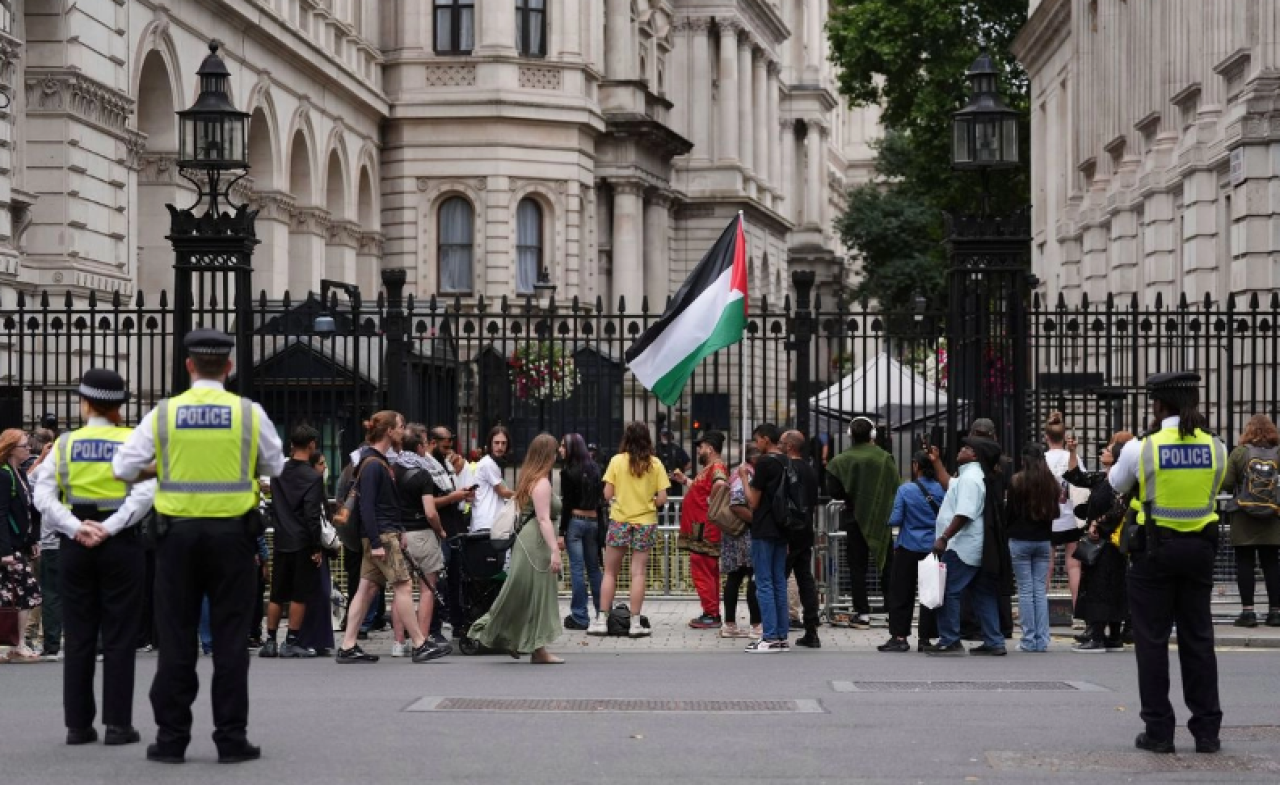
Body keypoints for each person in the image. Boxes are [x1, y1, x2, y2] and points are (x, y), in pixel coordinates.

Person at [112, 329, 286, 764]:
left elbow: (122, 467)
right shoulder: (248, 413)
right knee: (229, 639)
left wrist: (162, 468)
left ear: (189, 365)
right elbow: (275, 464)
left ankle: (171, 740)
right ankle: (231, 739)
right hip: (232, 537)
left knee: (175, 638)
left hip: (177, 537)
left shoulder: (164, 413)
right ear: (228, 367)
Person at [32, 369, 156, 745]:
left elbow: (42, 493)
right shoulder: (133, 440)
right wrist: (112, 526)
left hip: (76, 543)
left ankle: (78, 725)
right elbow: (146, 492)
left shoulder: (67, 444)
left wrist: (74, 528)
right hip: (120, 543)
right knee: (119, 635)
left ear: (84, 403)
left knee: (80, 633)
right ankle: (118, 725)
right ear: (120, 404)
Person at [1108, 371, 1228, 755]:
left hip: (1154, 553)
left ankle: (1159, 732)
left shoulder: (1143, 448)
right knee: (1199, 641)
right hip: (1201, 552)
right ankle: (1207, 732)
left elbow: (1117, 484)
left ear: (1159, 404)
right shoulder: (1216, 447)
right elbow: (1217, 487)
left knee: (1152, 642)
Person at [333, 411, 445, 665]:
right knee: (403, 586)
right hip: (382, 536)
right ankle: (419, 643)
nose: (404, 432)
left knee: (365, 590)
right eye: (400, 427)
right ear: (389, 431)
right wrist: (376, 542)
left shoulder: (374, 461)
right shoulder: (374, 464)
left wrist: (398, 531)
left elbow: (380, 505)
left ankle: (348, 645)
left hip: (381, 534)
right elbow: (368, 507)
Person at [468, 433, 565, 664]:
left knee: (522, 594)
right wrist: (555, 549)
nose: (557, 455)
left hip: (530, 542)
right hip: (536, 544)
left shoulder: (529, 478)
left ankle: (514, 640)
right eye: (554, 451)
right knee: (536, 595)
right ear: (547, 455)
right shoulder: (541, 482)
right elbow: (543, 519)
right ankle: (534, 648)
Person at [926, 437, 1007, 657]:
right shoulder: (970, 476)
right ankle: (994, 640)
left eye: (967, 448)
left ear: (975, 456)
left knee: (947, 590)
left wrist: (944, 537)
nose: (961, 449)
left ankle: (950, 640)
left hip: (963, 547)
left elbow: (964, 513)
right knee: (983, 593)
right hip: (976, 546)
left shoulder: (970, 478)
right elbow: (948, 484)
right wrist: (936, 462)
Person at [589, 422, 669, 637]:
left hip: (620, 520)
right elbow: (662, 498)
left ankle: (601, 619)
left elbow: (606, 494)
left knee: (610, 572)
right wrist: (648, 502)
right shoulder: (655, 464)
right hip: (645, 522)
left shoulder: (616, 461)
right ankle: (635, 622)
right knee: (638, 573)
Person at [387, 423, 456, 658]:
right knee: (427, 588)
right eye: (425, 444)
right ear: (418, 447)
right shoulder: (422, 473)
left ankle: (398, 642)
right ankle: (423, 639)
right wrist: (441, 531)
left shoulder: (393, 470)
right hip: (422, 534)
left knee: (401, 590)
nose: (427, 449)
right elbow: (430, 511)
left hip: (398, 534)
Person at [826, 417, 899, 629]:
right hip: (881, 517)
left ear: (850, 435)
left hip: (853, 518)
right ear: (873, 435)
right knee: (886, 563)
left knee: (857, 567)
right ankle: (892, 612)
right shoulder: (884, 458)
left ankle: (862, 614)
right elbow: (895, 487)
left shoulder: (841, 460)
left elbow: (834, 491)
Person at [260, 425, 326, 659]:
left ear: (291, 445)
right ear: (311, 445)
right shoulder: (312, 477)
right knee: (299, 594)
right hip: (302, 540)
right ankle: (292, 640)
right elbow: (311, 514)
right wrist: (316, 546)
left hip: (281, 538)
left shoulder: (278, 472)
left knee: (277, 593)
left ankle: (269, 640)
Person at [1067, 436, 1131, 653]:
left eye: (1108, 449)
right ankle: (1111, 636)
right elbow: (1077, 477)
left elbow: (1120, 507)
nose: (1103, 451)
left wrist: (1098, 523)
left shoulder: (1121, 481)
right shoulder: (1102, 478)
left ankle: (1099, 636)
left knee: (1103, 587)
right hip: (1101, 542)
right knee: (1103, 585)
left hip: (1110, 540)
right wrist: (1072, 451)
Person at [877, 451, 942, 653]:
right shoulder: (942, 488)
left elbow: (895, 519)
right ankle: (925, 638)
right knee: (929, 593)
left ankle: (900, 636)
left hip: (908, 546)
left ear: (916, 466)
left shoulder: (906, 489)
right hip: (933, 547)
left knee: (901, 593)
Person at [1221, 414, 1280, 628]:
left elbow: (1226, 484)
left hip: (1244, 515)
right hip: (1272, 517)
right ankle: (1275, 612)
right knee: (1271, 563)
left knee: (1245, 563)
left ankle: (1248, 612)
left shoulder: (1239, 453)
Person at [1005, 445, 1060, 653]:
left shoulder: (1017, 481)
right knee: (1039, 589)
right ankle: (1042, 639)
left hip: (1020, 539)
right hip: (1043, 540)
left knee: (1025, 590)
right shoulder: (1051, 484)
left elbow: (1009, 512)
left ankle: (1029, 639)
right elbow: (1054, 513)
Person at [671, 431, 728, 629]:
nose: (698, 450)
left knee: (703, 569)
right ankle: (710, 611)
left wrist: (711, 502)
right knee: (705, 569)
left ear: (710, 449)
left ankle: (711, 613)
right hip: (701, 527)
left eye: (701, 447)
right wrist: (685, 481)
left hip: (705, 528)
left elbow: (720, 484)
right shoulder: (709, 468)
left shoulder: (717, 466)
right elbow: (701, 488)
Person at [741, 424, 791, 652]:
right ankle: (781, 634)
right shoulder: (788, 461)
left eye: (758, 439)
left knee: (764, 582)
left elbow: (753, 501)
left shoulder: (765, 463)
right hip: (783, 526)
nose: (756, 444)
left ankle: (769, 636)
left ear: (766, 439)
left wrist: (744, 478)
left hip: (764, 526)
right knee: (779, 580)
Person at [0, 428, 40, 663]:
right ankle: (17, 644)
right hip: (9, 548)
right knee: (26, 592)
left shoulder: (21, 473)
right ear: (12, 448)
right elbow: (1, 514)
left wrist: (33, 539)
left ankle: (16, 643)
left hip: (20, 545)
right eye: (25, 445)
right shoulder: (4, 476)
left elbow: (29, 511)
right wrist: (4, 551)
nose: (29, 449)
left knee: (19, 595)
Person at [558, 432, 604, 631]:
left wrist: (561, 532)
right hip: (593, 521)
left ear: (571, 449)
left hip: (575, 522)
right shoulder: (596, 469)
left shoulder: (567, 472)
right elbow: (602, 502)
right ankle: (602, 612)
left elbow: (566, 504)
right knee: (594, 569)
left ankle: (580, 616)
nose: (560, 449)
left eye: (563, 446)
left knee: (577, 569)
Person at [781, 430, 821, 648]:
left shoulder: (788, 469)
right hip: (806, 529)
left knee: (779, 579)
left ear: (789, 446)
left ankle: (776, 628)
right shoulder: (810, 470)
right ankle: (811, 629)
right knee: (805, 579)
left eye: (781, 443)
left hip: (790, 531)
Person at [295, 450, 336, 656]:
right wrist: (316, 547)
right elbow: (314, 517)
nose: (324, 468)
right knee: (317, 593)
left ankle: (318, 639)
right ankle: (312, 638)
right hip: (313, 545)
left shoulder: (315, 486)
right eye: (321, 464)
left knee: (320, 593)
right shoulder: (313, 486)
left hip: (314, 544)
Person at [1043, 411, 1084, 608]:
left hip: (1048, 519)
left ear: (1046, 437)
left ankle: (1040, 613)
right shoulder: (1072, 457)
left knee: (1046, 565)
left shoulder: (1042, 459)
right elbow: (1082, 483)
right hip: (1070, 517)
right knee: (1074, 565)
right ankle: (1077, 612)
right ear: (1064, 435)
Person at [719, 445, 761, 639]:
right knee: (752, 578)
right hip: (744, 536)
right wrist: (756, 520)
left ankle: (730, 624)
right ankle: (755, 625)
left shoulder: (743, 473)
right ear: (754, 458)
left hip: (737, 537)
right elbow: (736, 504)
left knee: (735, 579)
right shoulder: (745, 475)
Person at [469, 425, 515, 532]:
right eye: (496, 443)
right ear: (490, 444)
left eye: (503, 443)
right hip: (486, 522)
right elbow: (501, 491)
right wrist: (521, 494)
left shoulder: (492, 463)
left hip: (489, 520)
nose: (500, 447)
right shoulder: (488, 464)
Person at [655, 427, 691, 497]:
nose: (665, 437)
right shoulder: (655, 449)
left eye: (667, 435)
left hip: (675, 485)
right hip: (659, 485)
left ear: (671, 437)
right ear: (660, 436)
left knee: (674, 505)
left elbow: (689, 464)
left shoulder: (677, 449)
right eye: (664, 435)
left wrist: (677, 473)